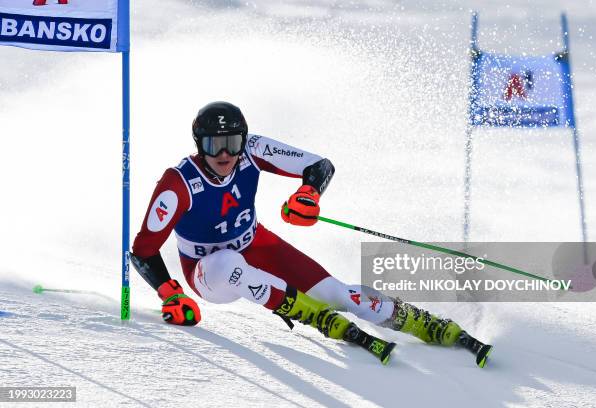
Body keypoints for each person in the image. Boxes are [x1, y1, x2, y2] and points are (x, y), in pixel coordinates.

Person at [130, 101, 467, 351]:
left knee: (338, 292)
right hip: (207, 271)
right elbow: (143, 250)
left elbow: (319, 165)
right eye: (212, 144)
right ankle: (314, 316)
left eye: (232, 142)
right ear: (198, 145)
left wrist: (308, 194)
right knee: (230, 265)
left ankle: (423, 323)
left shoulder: (253, 150)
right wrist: (170, 294)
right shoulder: (178, 184)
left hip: (255, 245)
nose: (224, 153)